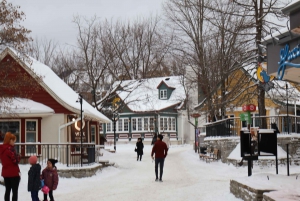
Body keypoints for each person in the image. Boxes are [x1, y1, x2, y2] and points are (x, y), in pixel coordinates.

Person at [0, 132, 21, 201]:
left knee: (7, 190)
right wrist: (19, 156)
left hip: (5, 172)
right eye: (14, 141)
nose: (14, 143)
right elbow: (15, 160)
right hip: (13, 173)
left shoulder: (2, 149)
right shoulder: (10, 149)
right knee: (14, 191)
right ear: (10, 140)